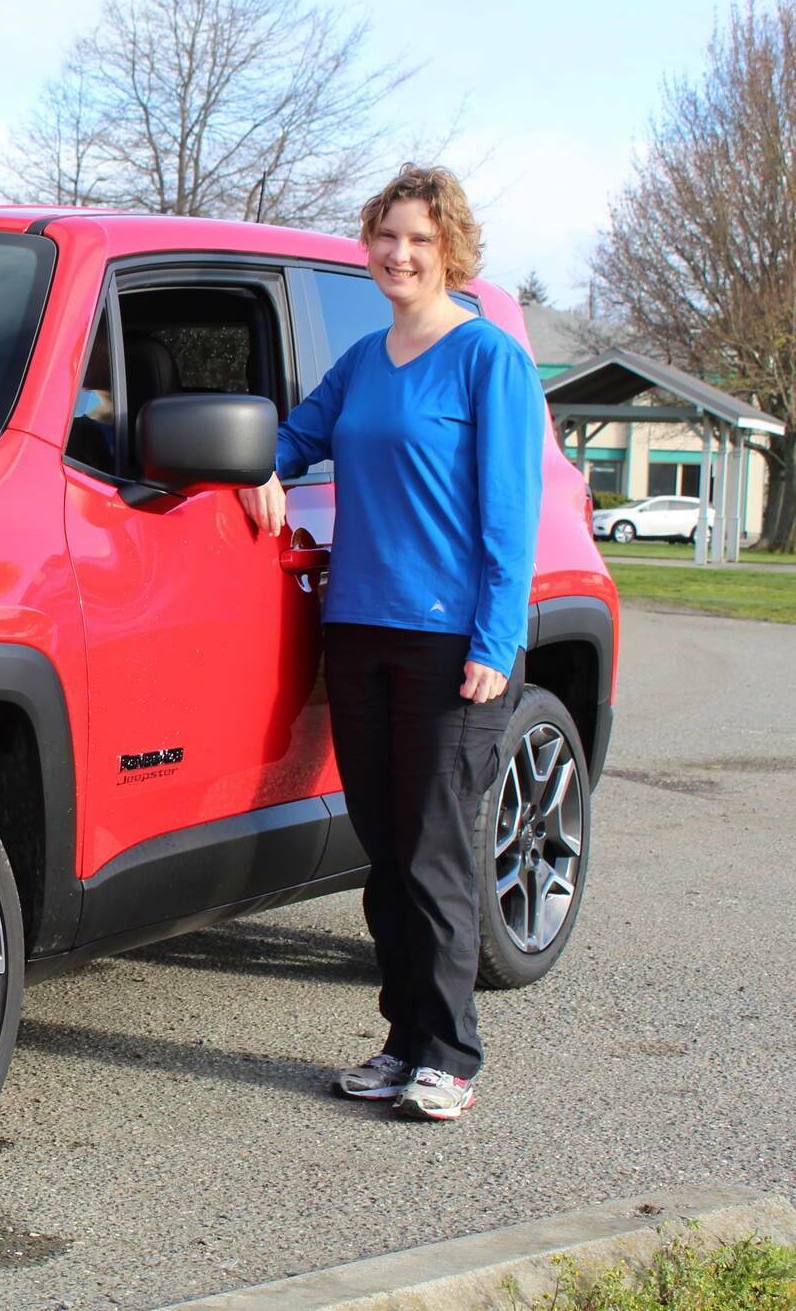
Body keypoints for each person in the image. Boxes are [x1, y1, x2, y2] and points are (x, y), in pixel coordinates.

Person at [238, 164, 545, 1121]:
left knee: (433, 851)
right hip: (359, 630)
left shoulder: (489, 358)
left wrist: (495, 641)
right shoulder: (366, 360)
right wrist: (262, 469)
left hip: (451, 643)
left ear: (450, 249)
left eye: (418, 239)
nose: (399, 254)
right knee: (385, 849)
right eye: (386, 237)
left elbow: (513, 514)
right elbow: (294, 436)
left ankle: (450, 1053)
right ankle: (402, 1039)